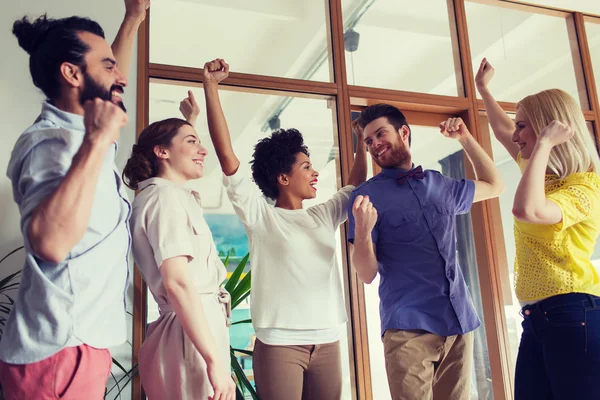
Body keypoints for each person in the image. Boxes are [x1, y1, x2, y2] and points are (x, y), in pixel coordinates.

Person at [0, 2, 149, 398]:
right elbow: (49, 242)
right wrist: (99, 138)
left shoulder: (83, 135)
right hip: (60, 353)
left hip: (79, 347)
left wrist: (133, 17)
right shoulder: (49, 144)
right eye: (108, 65)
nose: (121, 77)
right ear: (71, 73)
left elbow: (108, 85)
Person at [200, 58, 367, 399]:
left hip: (329, 339)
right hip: (280, 343)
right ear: (283, 178)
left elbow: (355, 188)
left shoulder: (322, 214)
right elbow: (227, 157)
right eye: (307, 166)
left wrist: (361, 140)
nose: (315, 172)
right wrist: (211, 87)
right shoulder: (262, 217)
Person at [348, 103, 505, 400]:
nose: (375, 145)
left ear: (403, 132)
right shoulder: (365, 196)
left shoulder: (439, 183)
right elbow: (367, 274)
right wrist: (364, 230)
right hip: (407, 329)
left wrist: (465, 139)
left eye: (380, 134)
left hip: (458, 322)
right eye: (368, 141)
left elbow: (496, 185)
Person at [476, 57, 600, 400]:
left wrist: (543, 143)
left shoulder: (584, 188)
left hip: (574, 313)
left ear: (548, 129)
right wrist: (484, 91)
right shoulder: (541, 176)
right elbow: (503, 132)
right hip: (536, 317)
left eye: (523, 127)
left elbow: (526, 210)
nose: (514, 135)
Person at [123, 93, 236, 400]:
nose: (203, 151)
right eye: (192, 141)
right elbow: (177, 282)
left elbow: (172, 154)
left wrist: (190, 122)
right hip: (191, 335)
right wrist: (213, 362)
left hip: (193, 331)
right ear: (161, 151)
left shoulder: (166, 195)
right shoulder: (165, 199)